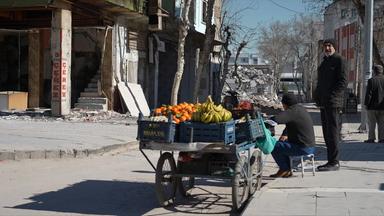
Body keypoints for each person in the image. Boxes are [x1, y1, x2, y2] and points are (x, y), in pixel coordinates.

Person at [314, 38, 347, 171]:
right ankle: (330, 161)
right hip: (323, 103)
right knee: (327, 133)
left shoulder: (339, 60)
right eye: (325, 46)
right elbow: (321, 83)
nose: (327, 48)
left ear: (334, 47)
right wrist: (317, 96)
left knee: (333, 133)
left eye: (329, 46)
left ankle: (334, 162)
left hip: (333, 103)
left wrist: (332, 96)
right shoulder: (324, 62)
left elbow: (343, 82)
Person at [269, 93, 316, 178]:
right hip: (310, 146)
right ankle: (287, 169)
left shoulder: (291, 111)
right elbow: (292, 124)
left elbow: (277, 119)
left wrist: (266, 120)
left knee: (273, 146)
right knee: (282, 143)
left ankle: (284, 169)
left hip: (303, 148)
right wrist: (284, 134)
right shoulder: (300, 109)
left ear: (285, 104)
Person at [364, 64, 384, 143]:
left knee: (372, 123)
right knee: (382, 123)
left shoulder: (371, 80)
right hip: (383, 107)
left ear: (374, 71)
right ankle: (382, 138)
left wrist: (366, 104)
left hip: (372, 106)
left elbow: (369, 94)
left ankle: (371, 138)